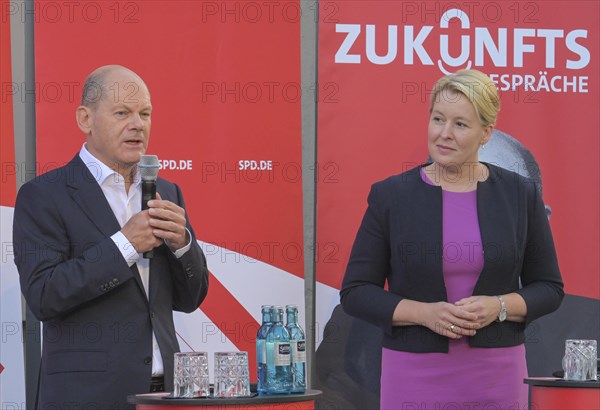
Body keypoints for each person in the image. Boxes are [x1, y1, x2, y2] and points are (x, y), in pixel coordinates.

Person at [340, 69, 564, 409]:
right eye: (437, 119)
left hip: (496, 379)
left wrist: (499, 307)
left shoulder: (520, 196)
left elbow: (549, 288)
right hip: (413, 379)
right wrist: (424, 314)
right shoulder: (390, 197)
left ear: (485, 133)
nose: (444, 134)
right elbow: (356, 292)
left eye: (460, 124)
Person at [13, 65, 209, 409]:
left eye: (144, 113)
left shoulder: (166, 192)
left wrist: (184, 246)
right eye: (122, 113)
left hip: (167, 394)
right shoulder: (44, 195)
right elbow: (43, 295)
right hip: (88, 396)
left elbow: (190, 300)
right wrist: (125, 245)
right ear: (85, 119)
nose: (138, 124)